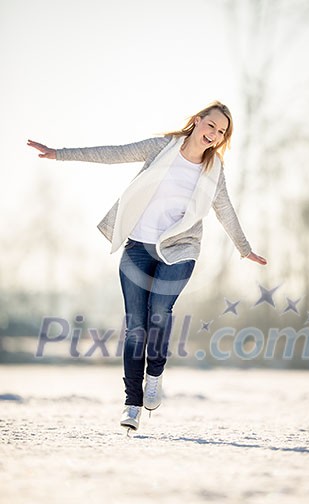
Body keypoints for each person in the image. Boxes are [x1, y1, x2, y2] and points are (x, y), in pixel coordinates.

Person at [27, 101, 267, 432]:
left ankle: (155, 372)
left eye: (222, 132)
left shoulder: (213, 169)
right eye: (211, 126)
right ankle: (131, 404)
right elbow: (114, 153)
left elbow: (224, 208)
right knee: (135, 325)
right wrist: (60, 153)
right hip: (138, 247)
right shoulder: (160, 148)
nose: (214, 134)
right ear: (197, 122)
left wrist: (245, 249)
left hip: (180, 249)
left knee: (159, 311)